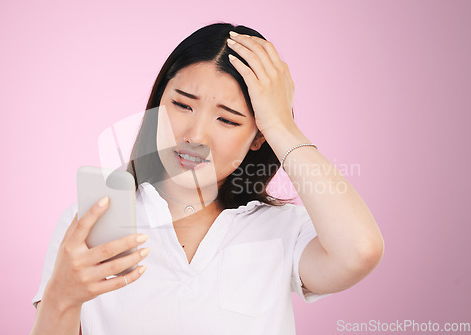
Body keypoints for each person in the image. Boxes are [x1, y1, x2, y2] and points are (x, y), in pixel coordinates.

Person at [30, 22, 384, 335]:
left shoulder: (282, 231)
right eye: (182, 105)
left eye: (228, 119)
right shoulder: (87, 227)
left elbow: (360, 251)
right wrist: (62, 295)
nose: (195, 136)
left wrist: (281, 124)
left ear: (259, 136)